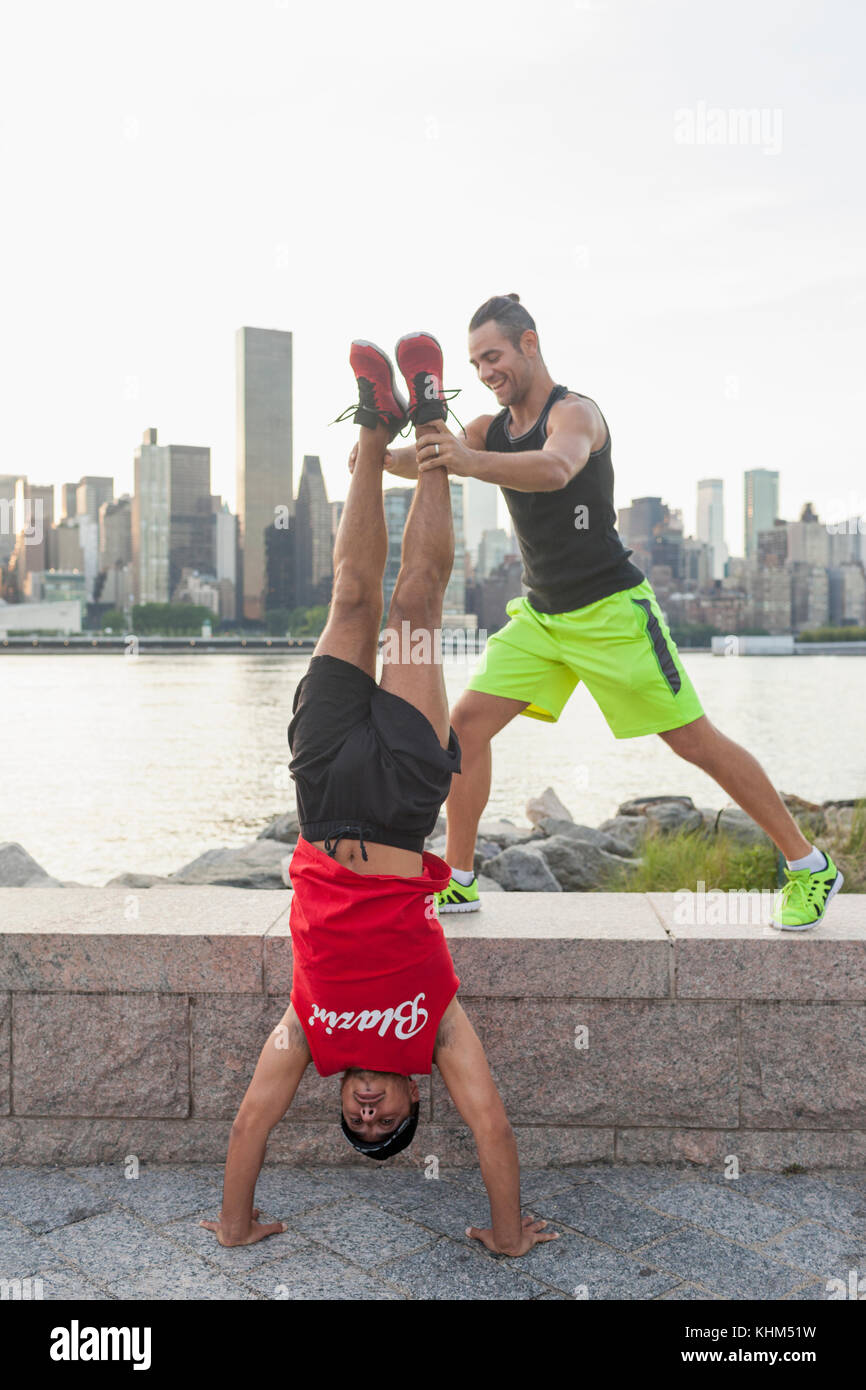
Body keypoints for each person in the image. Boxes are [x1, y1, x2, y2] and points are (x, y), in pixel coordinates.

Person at [200, 333, 558, 1257]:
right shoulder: (434, 1028)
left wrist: (236, 1228)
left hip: (320, 789)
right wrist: (509, 1236)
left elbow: (249, 1124)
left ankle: (372, 422)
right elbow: (493, 1126)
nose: (367, 1113)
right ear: (409, 1099)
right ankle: (431, 414)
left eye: (357, 1126)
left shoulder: (310, 1034)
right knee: (412, 611)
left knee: (351, 601)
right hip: (401, 793)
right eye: (383, 1122)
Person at [377, 294, 843, 932]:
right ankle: (458, 879)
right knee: (466, 726)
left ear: (529, 344)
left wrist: (466, 461)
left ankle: (808, 863)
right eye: (475, 363)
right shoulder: (487, 428)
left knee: (694, 742)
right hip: (541, 619)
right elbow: (434, 460)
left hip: (611, 613)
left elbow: (556, 469)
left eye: (494, 356)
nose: (486, 372)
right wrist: (379, 452)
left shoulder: (576, 414)